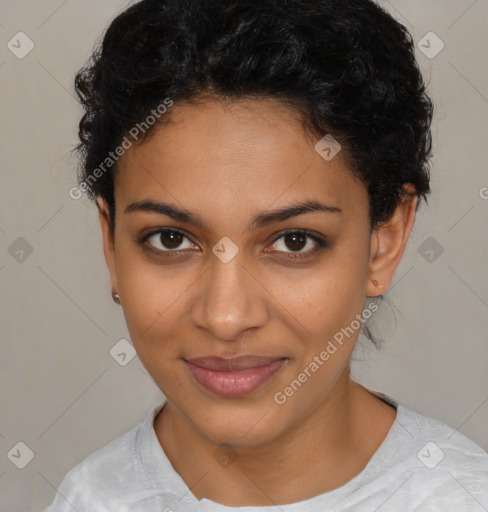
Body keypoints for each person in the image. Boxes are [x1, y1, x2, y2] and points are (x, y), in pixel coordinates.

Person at [45, 0, 488, 510]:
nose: (226, 317)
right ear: (111, 243)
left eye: (294, 241)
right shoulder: (90, 499)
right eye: (170, 239)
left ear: (383, 242)